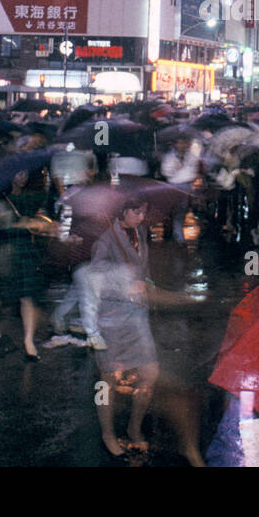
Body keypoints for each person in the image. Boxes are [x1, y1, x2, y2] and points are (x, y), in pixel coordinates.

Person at [89, 196, 157, 458]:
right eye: (137, 212)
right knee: (106, 379)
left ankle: (134, 427)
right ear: (124, 212)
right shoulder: (106, 240)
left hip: (138, 317)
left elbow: (144, 270)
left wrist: (147, 286)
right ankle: (107, 432)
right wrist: (123, 286)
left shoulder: (140, 232)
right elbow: (96, 277)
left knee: (150, 372)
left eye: (144, 212)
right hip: (111, 318)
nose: (142, 217)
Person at [0, 169, 58, 358]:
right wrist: (29, 224)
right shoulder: (0, 199)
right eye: (18, 173)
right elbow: (3, 225)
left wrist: (42, 225)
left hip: (25, 249)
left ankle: (28, 340)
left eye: (25, 173)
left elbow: (38, 217)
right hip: (4, 250)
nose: (22, 177)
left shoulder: (29, 198)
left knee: (27, 295)